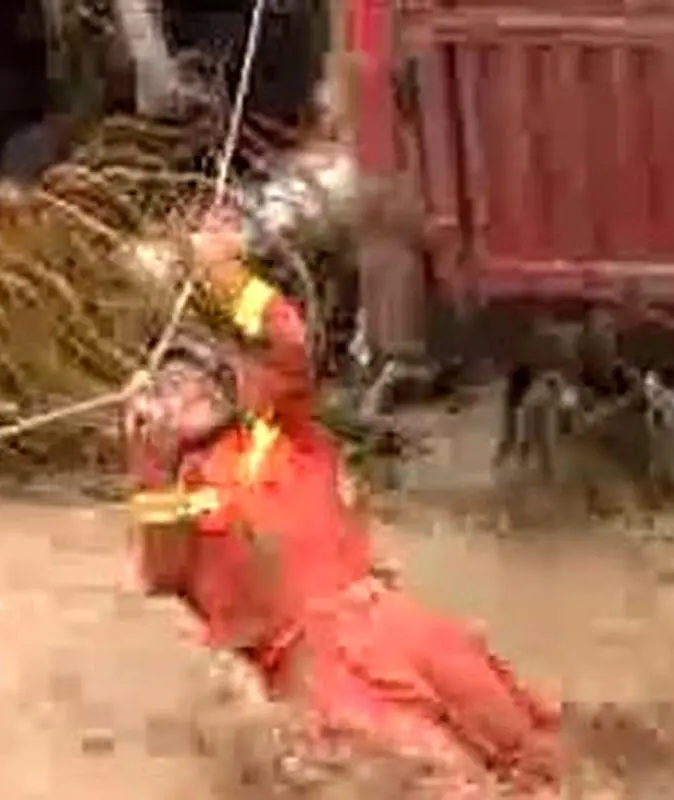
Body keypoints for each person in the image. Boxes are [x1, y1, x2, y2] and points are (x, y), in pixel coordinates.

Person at [122, 208, 562, 795]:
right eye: (167, 385)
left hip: (396, 620)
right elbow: (165, 573)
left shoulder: (280, 430)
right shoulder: (171, 497)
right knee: (447, 783)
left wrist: (224, 277)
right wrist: (149, 468)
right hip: (319, 669)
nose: (188, 388)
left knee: (537, 754)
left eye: (198, 375)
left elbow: (287, 341)